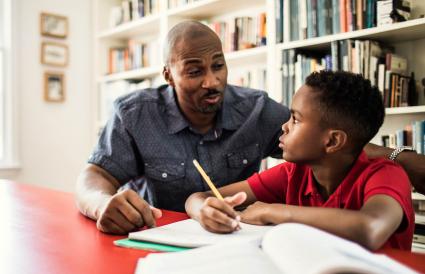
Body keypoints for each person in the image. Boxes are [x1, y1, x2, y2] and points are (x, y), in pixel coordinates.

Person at [76, 20, 425, 235]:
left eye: (218, 65)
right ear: (169, 75)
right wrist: (100, 204)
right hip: (158, 240)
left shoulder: (256, 110)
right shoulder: (134, 113)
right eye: (195, 71)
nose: (213, 81)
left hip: (236, 242)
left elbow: (333, 143)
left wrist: (398, 157)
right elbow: (95, 177)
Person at [185, 71, 414, 251]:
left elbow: (369, 228)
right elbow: (199, 198)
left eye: (295, 119)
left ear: (333, 141)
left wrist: (274, 212)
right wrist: (203, 210)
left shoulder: (387, 175)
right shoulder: (293, 173)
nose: (284, 127)